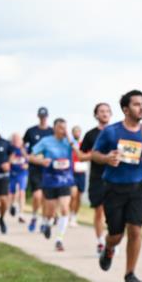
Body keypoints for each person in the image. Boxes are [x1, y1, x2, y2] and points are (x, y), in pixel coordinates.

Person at [93, 90, 142, 282]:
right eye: (136, 104)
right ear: (126, 109)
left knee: (135, 229)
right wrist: (107, 158)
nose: (141, 107)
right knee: (116, 235)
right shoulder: (111, 132)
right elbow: (94, 154)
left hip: (138, 187)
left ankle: (130, 274)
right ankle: (109, 248)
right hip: (114, 188)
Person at [28, 118, 76, 251]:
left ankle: (59, 239)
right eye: (60, 127)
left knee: (65, 208)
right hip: (50, 180)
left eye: (65, 127)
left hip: (65, 179)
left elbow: (78, 151)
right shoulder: (46, 141)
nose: (63, 130)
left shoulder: (69, 141)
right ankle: (47, 223)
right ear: (54, 128)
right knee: (50, 212)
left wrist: (69, 136)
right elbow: (30, 156)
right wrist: (41, 161)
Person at [79, 103, 113, 253]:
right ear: (96, 115)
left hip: (115, 177)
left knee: (112, 211)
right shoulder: (90, 135)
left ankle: (111, 241)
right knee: (99, 211)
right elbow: (80, 156)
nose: (104, 113)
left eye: (107, 111)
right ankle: (100, 242)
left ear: (110, 114)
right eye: (101, 111)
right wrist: (95, 156)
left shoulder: (116, 131)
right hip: (97, 177)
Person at [24, 107, 54, 232]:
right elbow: (22, 146)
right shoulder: (31, 131)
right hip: (35, 168)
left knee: (45, 198)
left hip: (48, 169)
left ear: (47, 116)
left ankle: (43, 220)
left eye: (45, 116)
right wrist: (27, 157)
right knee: (37, 196)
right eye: (41, 116)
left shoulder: (52, 131)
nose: (43, 118)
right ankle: (34, 216)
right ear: (38, 116)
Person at [69, 125, 87, 227]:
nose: (77, 133)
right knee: (73, 194)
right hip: (72, 173)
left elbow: (88, 155)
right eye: (75, 132)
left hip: (81, 172)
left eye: (78, 132)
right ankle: (69, 215)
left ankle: (74, 216)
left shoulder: (83, 144)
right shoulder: (70, 144)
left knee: (79, 197)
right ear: (72, 133)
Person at [8, 133, 29, 222]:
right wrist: (11, 157)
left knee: (21, 192)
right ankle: (13, 205)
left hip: (22, 173)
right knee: (11, 193)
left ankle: (21, 214)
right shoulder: (10, 150)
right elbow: (8, 161)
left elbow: (29, 159)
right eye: (14, 140)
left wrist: (27, 165)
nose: (16, 141)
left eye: (18, 139)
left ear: (21, 141)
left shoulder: (25, 149)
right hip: (12, 173)